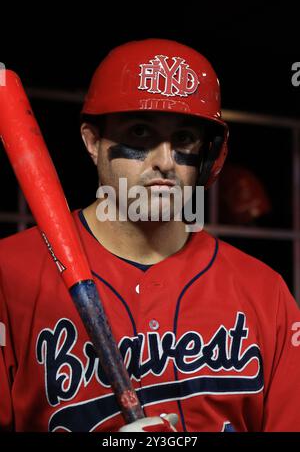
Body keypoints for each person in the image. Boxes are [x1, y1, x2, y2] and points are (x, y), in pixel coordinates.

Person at [0, 38, 299, 433]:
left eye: (184, 139)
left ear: (209, 154)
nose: (164, 161)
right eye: (140, 132)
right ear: (93, 141)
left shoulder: (265, 293)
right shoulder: (9, 272)